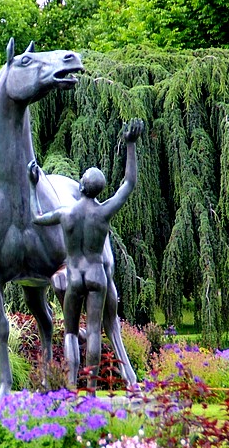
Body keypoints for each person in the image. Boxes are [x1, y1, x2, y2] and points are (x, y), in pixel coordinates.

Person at [27, 119, 143, 386]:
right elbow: (128, 184)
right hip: (96, 276)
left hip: (74, 275)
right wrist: (130, 146)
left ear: (80, 186)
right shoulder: (103, 213)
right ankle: (90, 389)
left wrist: (34, 186)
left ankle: (70, 383)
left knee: (69, 333)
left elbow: (36, 217)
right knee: (92, 332)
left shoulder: (67, 214)